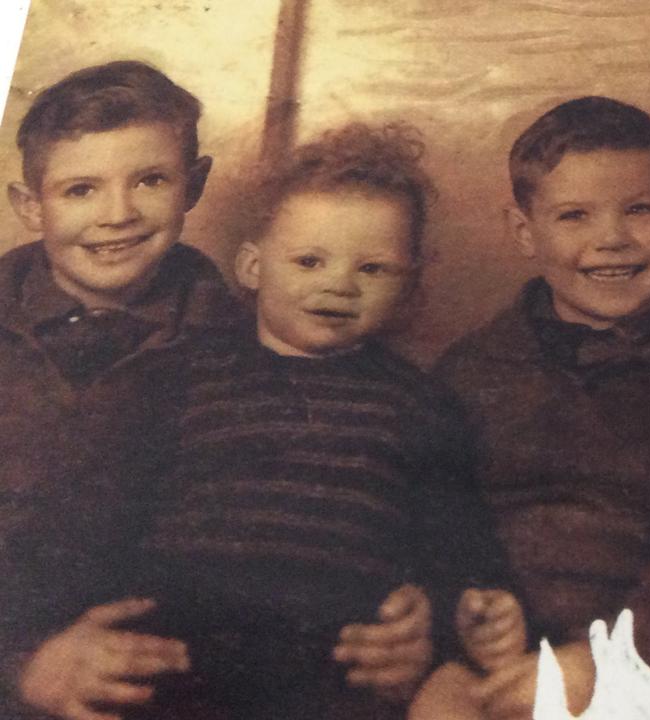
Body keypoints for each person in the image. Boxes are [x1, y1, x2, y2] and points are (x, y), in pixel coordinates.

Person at [0, 62, 431, 720]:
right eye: (81, 189)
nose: (118, 215)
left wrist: (415, 614)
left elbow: (361, 508)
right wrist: (20, 664)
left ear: (194, 183)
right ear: (29, 205)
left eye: (150, 179)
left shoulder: (253, 347)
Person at [98, 122, 526, 720]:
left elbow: (454, 543)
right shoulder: (179, 378)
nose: (338, 284)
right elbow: (103, 518)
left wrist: (466, 608)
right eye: (308, 260)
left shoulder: (421, 404)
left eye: (372, 269)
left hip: (335, 674)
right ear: (252, 266)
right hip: (177, 660)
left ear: (409, 288)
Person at [432, 96, 650, 720]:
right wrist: (468, 607)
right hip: (498, 664)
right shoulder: (473, 370)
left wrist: (603, 665)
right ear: (524, 231)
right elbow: (436, 518)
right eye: (574, 216)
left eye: (638, 209)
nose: (610, 239)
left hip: (648, 666)